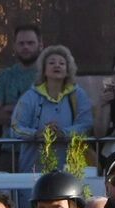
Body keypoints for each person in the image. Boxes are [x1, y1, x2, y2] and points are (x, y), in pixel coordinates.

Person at [10, 44, 94, 173]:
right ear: (44, 70)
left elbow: (86, 125)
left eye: (62, 63)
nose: (57, 65)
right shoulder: (29, 97)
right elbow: (15, 128)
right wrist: (37, 134)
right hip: (33, 168)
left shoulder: (79, 95)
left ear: (68, 70)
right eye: (51, 63)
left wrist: (63, 133)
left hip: (71, 168)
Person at [0, 23, 43, 135]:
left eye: (30, 43)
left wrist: (9, 108)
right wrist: (31, 114)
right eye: (21, 43)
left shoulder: (49, 75)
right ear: (14, 47)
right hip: (10, 149)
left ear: (40, 45)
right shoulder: (5, 76)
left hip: (40, 149)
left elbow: (52, 116)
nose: (25, 47)